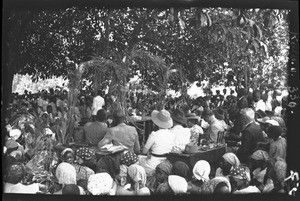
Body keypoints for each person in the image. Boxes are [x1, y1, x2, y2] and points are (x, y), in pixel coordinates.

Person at [139, 109, 174, 176]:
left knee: (139, 158)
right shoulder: (171, 134)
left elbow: (144, 151)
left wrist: (148, 151)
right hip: (165, 162)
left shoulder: (154, 134)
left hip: (153, 164)